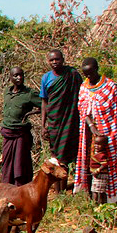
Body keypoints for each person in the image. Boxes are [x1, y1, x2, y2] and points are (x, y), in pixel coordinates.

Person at [74, 57, 117, 203]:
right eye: (86, 74)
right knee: (89, 159)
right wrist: (92, 126)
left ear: (97, 69)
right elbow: (83, 111)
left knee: (105, 162)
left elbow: (114, 113)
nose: (88, 77)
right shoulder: (84, 87)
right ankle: (89, 192)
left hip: (107, 131)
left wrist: (102, 129)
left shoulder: (109, 86)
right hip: (89, 132)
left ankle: (108, 195)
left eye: (91, 73)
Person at [39, 50, 82, 191]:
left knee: (70, 156)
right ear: (48, 61)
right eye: (51, 60)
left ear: (63, 59)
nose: (54, 62)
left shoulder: (73, 75)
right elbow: (44, 102)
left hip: (70, 121)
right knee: (56, 157)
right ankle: (59, 191)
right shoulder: (46, 78)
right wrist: (43, 125)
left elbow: (82, 94)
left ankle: (75, 187)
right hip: (54, 122)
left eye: (57, 59)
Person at [0, 66, 42, 185]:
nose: (19, 78)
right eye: (16, 75)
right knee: (7, 163)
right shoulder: (7, 92)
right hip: (8, 132)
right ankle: (8, 187)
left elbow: (45, 105)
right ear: (10, 78)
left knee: (20, 163)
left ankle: (21, 188)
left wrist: (30, 113)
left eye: (21, 75)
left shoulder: (29, 94)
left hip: (21, 133)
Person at [89, 134, 111, 204]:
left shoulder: (102, 155)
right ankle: (96, 205)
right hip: (96, 176)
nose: (96, 146)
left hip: (101, 176)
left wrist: (98, 170)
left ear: (104, 145)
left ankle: (98, 205)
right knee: (95, 190)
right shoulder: (97, 153)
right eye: (95, 144)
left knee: (99, 192)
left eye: (99, 145)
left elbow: (104, 164)